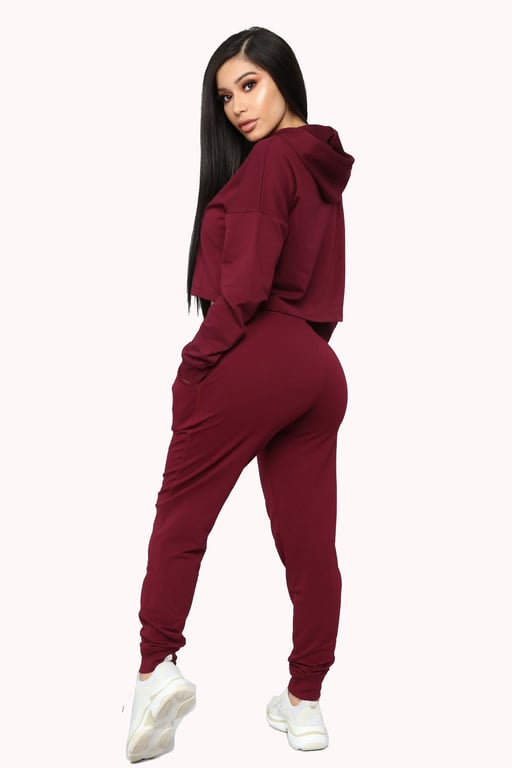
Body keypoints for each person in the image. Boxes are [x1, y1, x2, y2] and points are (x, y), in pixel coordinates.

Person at [125, 26, 354, 761]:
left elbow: (246, 288)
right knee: (310, 545)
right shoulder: (318, 164)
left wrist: (195, 365)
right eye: (225, 97)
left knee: (181, 513)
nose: (237, 107)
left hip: (259, 352)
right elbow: (321, 290)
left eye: (249, 85)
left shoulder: (269, 164)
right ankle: (305, 701)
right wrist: (297, 359)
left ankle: (155, 668)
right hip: (318, 369)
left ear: (285, 76)